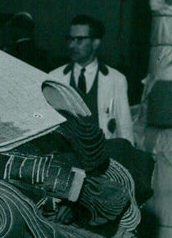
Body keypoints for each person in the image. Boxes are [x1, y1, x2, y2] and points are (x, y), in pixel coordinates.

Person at [48, 15, 134, 143]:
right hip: (66, 154)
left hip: (102, 154)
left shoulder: (116, 80)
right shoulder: (54, 77)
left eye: (79, 40)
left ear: (96, 43)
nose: (72, 45)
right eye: (70, 39)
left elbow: (124, 128)